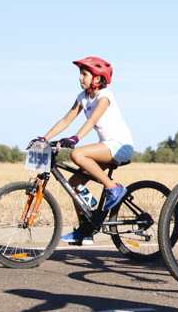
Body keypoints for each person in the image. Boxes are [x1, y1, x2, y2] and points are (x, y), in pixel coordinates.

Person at [35, 57, 134, 245]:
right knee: (74, 183)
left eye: (84, 74)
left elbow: (91, 120)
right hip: (107, 147)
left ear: (97, 78)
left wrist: (75, 139)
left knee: (77, 154)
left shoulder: (105, 96)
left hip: (120, 146)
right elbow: (66, 120)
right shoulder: (82, 97)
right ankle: (86, 229)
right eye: (80, 74)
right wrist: (44, 138)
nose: (80, 78)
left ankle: (114, 188)